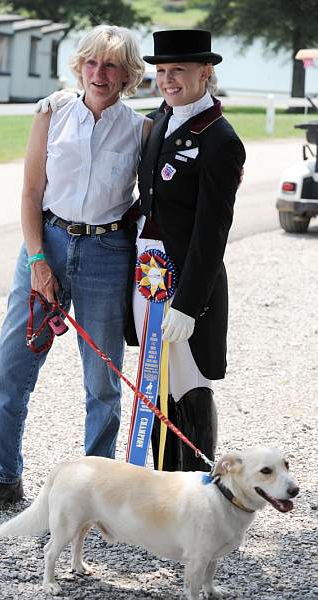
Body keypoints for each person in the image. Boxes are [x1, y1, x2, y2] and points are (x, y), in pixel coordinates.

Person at [0, 25, 151, 513]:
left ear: (128, 74)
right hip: (44, 243)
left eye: (111, 65)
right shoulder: (52, 113)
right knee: (10, 372)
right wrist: (36, 260)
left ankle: (96, 491)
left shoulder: (141, 129)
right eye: (91, 63)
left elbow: (163, 193)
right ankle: (5, 479)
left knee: (102, 382)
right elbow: (30, 193)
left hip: (106, 253)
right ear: (80, 67)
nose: (99, 73)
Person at [133, 29, 246, 472]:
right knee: (154, 382)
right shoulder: (161, 119)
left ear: (206, 72)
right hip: (147, 275)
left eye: (178, 69)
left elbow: (211, 232)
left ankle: (198, 491)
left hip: (185, 283)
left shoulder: (220, 139)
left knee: (189, 382)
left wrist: (188, 302)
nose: (167, 79)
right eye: (161, 71)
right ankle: (161, 488)